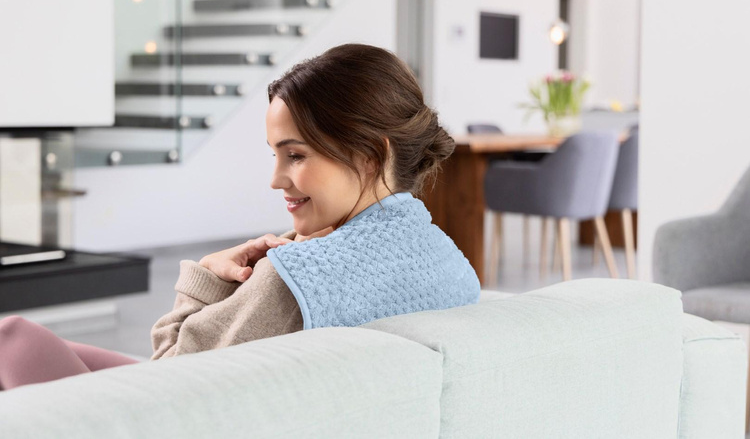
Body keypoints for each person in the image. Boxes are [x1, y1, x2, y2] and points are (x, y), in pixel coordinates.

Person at [0, 43, 480, 391]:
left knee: (12, 338)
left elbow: (164, 384)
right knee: (65, 352)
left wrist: (206, 278)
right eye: (275, 155)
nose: (276, 179)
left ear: (371, 156)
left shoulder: (297, 280)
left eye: (295, 155)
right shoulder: (449, 265)